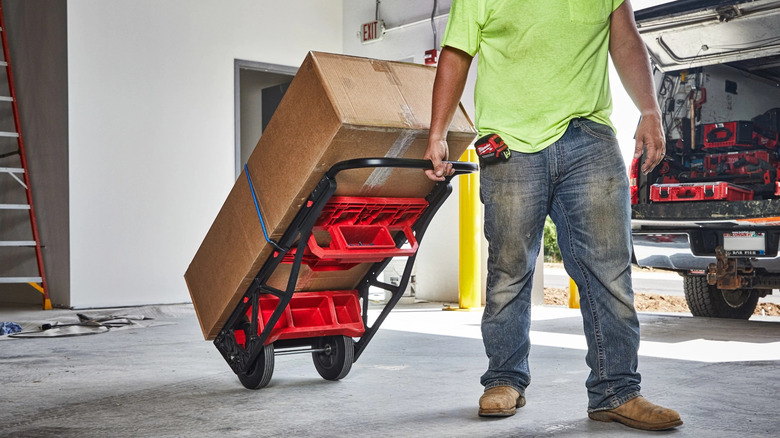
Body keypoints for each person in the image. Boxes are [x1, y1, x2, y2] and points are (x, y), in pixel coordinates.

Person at [423, 0, 683, 431]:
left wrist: (651, 110)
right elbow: (456, 52)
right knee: (509, 270)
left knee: (609, 271)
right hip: (509, 142)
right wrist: (437, 133)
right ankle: (504, 380)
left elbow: (626, 40)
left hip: (589, 137)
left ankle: (616, 391)